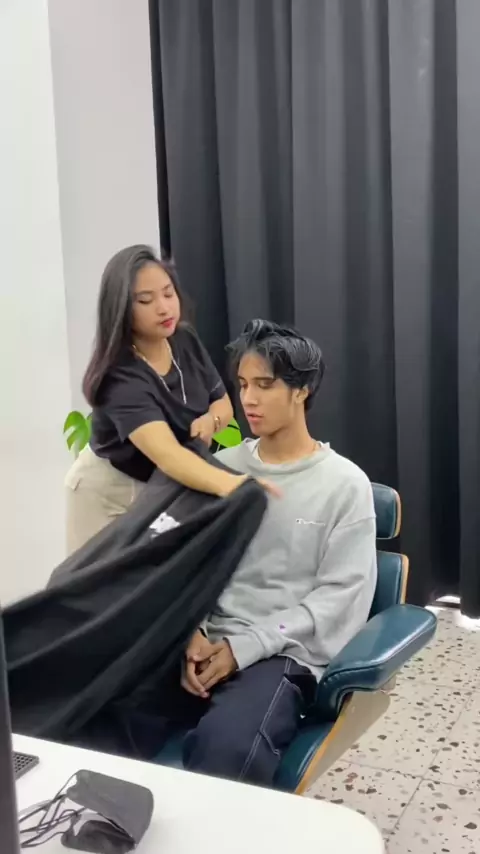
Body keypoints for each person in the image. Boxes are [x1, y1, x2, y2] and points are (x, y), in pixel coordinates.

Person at [119, 319, 378, 787]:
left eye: (265, 385)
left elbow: (339, 599)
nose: (248, 399)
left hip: (278, 654)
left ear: (302, 390)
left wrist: (246, 647)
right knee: (102, 712)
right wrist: (190, 631)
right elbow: (182, 564)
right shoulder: (221, 469)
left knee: (228, 751)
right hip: (200, 644)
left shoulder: (344, 485)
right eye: (241, 385)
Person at [65, 246, 265, 554]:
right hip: (106, 490)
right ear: (121, 308)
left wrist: (210, 421)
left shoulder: (184, 340)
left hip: (160, 486)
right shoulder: (120, 375)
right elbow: (168, 455)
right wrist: (233, 485)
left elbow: (223, 405)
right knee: (98, 579)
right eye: (146, 300)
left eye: (168, 293)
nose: (163, 308)